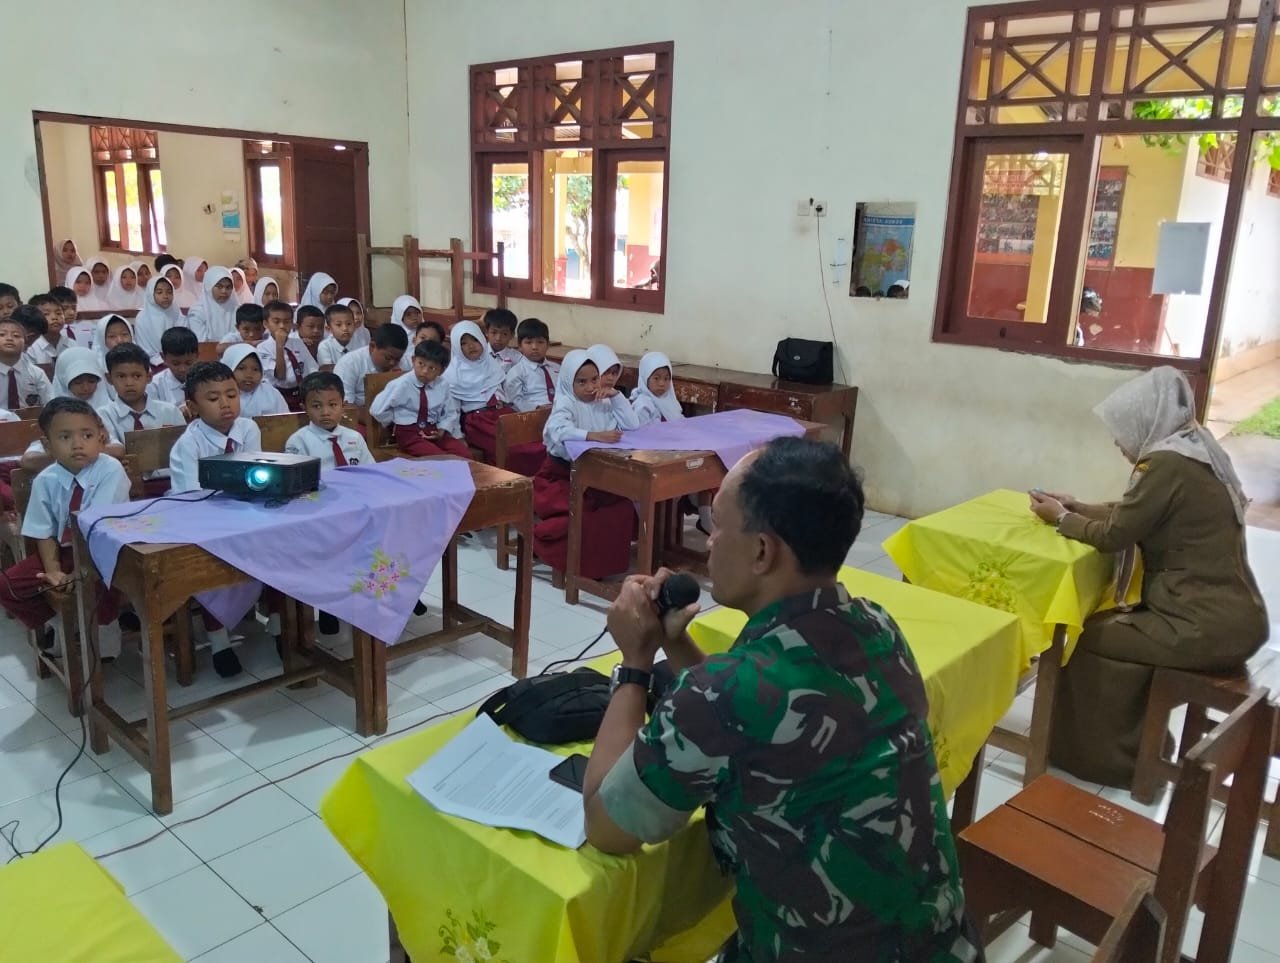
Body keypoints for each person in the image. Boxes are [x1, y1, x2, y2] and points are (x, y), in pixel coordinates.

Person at [584, 438, 979, 962]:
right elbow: (765, 712)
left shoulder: (722, 694)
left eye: (718, 524)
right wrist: (676, 644)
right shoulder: (878, 628)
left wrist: (636, 663)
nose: (709, 542)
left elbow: (607, 826)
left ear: (762, 552)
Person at [1029, 366, 1269, 787]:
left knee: (1086, 637)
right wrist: (1076, 506)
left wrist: (1062, 519)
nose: (1118, 443)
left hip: (1202, 625)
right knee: (1105, 625)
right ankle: (1132, 747)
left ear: (1146, 421)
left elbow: (1114, 535)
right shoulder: (1196, 450)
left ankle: (1116, 762)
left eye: (1120, 432)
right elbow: (1136, 514)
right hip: (1235, 619)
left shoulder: (1166, 464)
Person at [0, 398, 131, 660]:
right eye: (65, 437)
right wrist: (54, 570)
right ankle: (62, 626)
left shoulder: (110, 469)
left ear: (101, 438)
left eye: (87, 435)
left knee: (99, 582)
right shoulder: (45, 480)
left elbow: (100, 529)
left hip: (106, 549)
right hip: (64, 550)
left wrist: (78, 573)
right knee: (8, 586)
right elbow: (43, 531)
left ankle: (106, 631)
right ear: (48, 445)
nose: (77, 444)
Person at [168, 360, 265, 677]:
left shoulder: (248, 429)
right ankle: (219, 640)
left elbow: (256, 473)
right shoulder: (189, 443)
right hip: (203, 519)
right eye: (213, 398)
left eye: (231, 395)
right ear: (193, 406)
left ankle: (280, 626)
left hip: (244, 513)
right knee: (211, 564)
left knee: (277, 547)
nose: (225, 404)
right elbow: (191, 496)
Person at [532, 349, 638, 578]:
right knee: (587, 515)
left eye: (594, 379)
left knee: (622, 506)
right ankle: (577, 566)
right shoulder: (566, 403)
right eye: (581, 382)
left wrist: (616, 396)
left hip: (593, 476)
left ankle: (604, 565)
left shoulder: (604, 400)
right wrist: (592, 436)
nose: (590, 387)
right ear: (569, 382)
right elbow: (557, 431)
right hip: (560, 478)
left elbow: (632, 425)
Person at [446, 320, 542, 471]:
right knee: (512, 449)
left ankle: (534, 482)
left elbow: (506, 395)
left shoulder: (491, 365)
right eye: (463, 343)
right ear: (457, 347)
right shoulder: (452, 376)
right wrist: (457, 436)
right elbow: (453, 410)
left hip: (502, 413)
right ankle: (511, 482)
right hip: (478, 420)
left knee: (537, 442)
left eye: (475, 340)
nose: (471, 346)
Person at [98, 343, 186, 495]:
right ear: (109, 378)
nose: (129, 383)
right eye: (121, 376)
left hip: (172, 484)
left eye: (137, 376)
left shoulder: (170, 411)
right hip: (125, 487)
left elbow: (185, 453)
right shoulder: (103, 415)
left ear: (149, 377)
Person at [369, 340, 470, 458]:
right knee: (439, 458)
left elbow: (450, 412)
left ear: (441, 371)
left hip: (433, 430)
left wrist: (442, 429)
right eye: (421, 364)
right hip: (409, 433)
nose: (425, 371)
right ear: (413, 360)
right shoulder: (401, 384)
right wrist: (395, 420)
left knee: (463, 454)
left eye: (432, 368)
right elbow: (377, 410)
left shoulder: (443, 385)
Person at [286, 372, 372, 469]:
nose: (325, 412)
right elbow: (296, 477)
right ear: (305, 408)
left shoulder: (355, 438)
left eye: (332, 405)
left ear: (343, 406)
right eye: (316, 406)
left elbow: (369, 471)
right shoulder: (299, 442)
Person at [258, 300, 317, 409]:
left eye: (287, 321)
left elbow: (312, 369)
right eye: (276, 322)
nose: (282, 326)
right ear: (266, 324)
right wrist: (279, 346)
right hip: (276, 394)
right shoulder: (263, 348)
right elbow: (280, 376)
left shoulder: (298, 343)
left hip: (299, 393)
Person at [335, 323, 408, 407]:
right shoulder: (349, 364)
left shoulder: (404, 363)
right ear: (372, 347)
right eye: (388, 358)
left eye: (397, 359)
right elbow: (346, 406)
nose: (392, 363)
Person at [502, 317, 559, 412]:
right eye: (528, 342)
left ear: (548, 344)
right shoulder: (517, 372)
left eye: (540, 342)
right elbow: (514, 400)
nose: (535, 347)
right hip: (533, 414)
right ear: (520, 346)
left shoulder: (557, 368)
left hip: (561, 411)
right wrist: (537, 409)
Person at [0, 314, 54, 409]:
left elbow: (50, 404)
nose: (9, 338)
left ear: (26, 342)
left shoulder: (36, 373)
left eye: (16, 335)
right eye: (2, 334)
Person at [223, 344, 289, 417]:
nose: (249, 375)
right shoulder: (221, 395)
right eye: (241, 368)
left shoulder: (271, 394)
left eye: (255, 369)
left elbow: (286, 420)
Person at [134, 275, 182, 366]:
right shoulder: (142, 318)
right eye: (159, 292)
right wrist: (160, 361)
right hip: (152, 364)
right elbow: (143, 348)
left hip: (180, 361)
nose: (165, 296)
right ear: (151, 294)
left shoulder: (177, 313)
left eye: (169, 292)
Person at [148, 326, 200, 410]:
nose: (183, 369)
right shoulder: (154, 386)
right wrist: (175, 413)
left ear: (197, 356)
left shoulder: (205, 380)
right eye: (176, 364)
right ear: (163, 357)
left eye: (188, 363)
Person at [186, 267, 238, 342]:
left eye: (228, 287)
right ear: (209, 286)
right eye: (219, 287)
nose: (224, 291)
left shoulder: (237, 308)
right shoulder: (198, 311)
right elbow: (201, 341)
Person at [630, 351, 681, 425]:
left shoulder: (670, 402)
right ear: (645, 378)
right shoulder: (643, 405)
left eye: (666, 378)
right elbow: (644, 431)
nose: (661, 384)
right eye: (656, 378)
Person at [318, 302, 359, 371]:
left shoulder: (359, 343)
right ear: (329, 329)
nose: (345, 328)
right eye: (339, 325)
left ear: (354, 325)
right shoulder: (325, 346)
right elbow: (328, 370)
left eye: (349, 324)